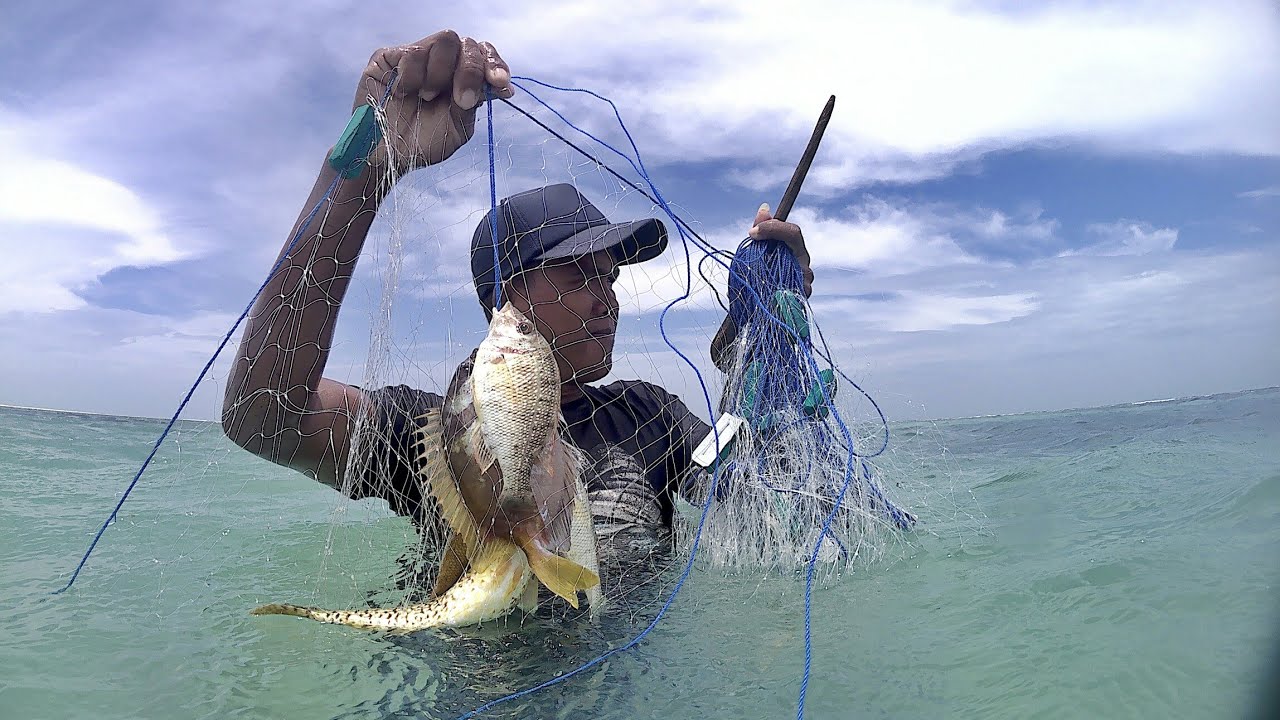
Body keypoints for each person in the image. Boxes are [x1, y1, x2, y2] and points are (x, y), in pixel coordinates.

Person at [221, 30, 814, 569]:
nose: (605, 299)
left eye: (608, 278)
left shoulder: (649, 414)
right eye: (579, 275)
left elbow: (751, 487)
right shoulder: (439, 432)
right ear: (507, 300)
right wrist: (364, 173)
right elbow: (263, 417)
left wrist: (769, 328)